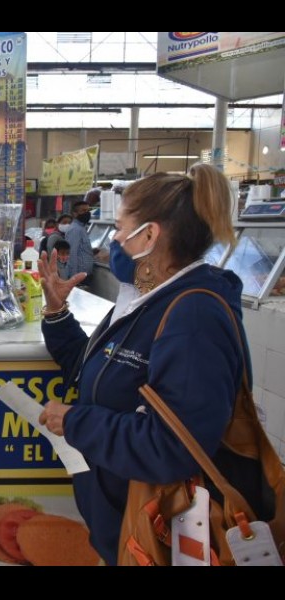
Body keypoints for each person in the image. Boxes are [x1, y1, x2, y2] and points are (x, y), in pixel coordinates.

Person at [36, 164, 246, 566]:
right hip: (125, 526)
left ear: (149, 235)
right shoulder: (146, 300)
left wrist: (77, 422)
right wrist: (57, 312)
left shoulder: (194, 318)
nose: (113, 239)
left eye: (120, 228)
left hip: (161, 536)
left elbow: (173, 447)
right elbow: (98, 372)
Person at [65, 200, 94, 286]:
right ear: (75, 214)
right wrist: (74, 279)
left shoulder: (81, 228)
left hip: (84, 275)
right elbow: (71, 254)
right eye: (83, 211)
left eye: (88, 210)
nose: (87, 213)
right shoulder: (75, 229)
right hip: (79, 277)